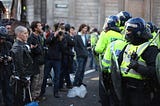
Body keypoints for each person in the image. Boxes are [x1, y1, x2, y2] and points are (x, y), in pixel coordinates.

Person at [118, 17, 160, 106]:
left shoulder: (150, 49)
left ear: (137, 32)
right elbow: (117, 66)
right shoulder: (127, 46)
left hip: (141, 91)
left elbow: (156, 72)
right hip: (125, 89)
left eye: (129, 31)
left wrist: (138, 67)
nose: (126, 33)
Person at [95, 15, 123, 106]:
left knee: (104, 89)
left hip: (106, 64)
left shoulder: (105, 34)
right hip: (117, 66)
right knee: (115, 89)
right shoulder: (120, 35)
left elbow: (98, 49)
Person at [11, 25, 33, 106]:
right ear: (19, 34)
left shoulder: (21, 45)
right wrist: (24, 79)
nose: (27, 35)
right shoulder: (18, 47)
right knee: (20, 100)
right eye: (25, 33)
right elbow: (19, 65)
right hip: (20, 79)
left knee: (24, 100)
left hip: (24, 77)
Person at [41, 30, 64, 98]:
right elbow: (47, 42)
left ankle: (56, 92)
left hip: (57, 60)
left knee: (57, 77)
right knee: (45, 76)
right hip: (49, 59)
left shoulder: (62, 38)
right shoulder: (52, 35)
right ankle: (42, 92)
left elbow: (63, 48)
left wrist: (60, 39)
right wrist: (54, 35)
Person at [27, 21, 45, 101]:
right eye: (39, 26)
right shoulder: (31, 37)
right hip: (35, 62)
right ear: (35, 28)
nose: (41, 27)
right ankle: (33, 97)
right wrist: (32, 48)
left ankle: (37, 95)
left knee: (40, 79)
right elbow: (28, 49)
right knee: (35, 80)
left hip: (41, 61)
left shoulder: (39, 36)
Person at [0, 26, 14, 106]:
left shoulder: (8, 44)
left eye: (3, 38)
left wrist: (10, 58)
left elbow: (13, 56)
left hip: (7, 71)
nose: (2, 40)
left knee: (8, 91)